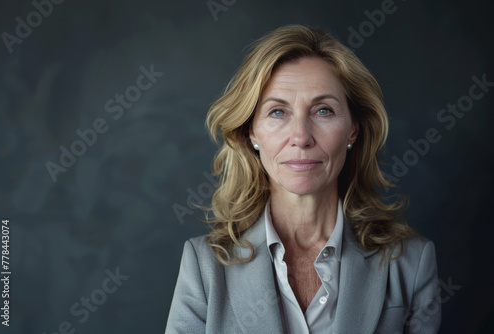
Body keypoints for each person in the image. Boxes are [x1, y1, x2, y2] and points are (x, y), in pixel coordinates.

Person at [166, 24, 440, 334]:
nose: (301, 137)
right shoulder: (204, 267)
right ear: (251, 131)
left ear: (353, 129)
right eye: (278, 112)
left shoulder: (410, 264)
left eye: (323, 110)